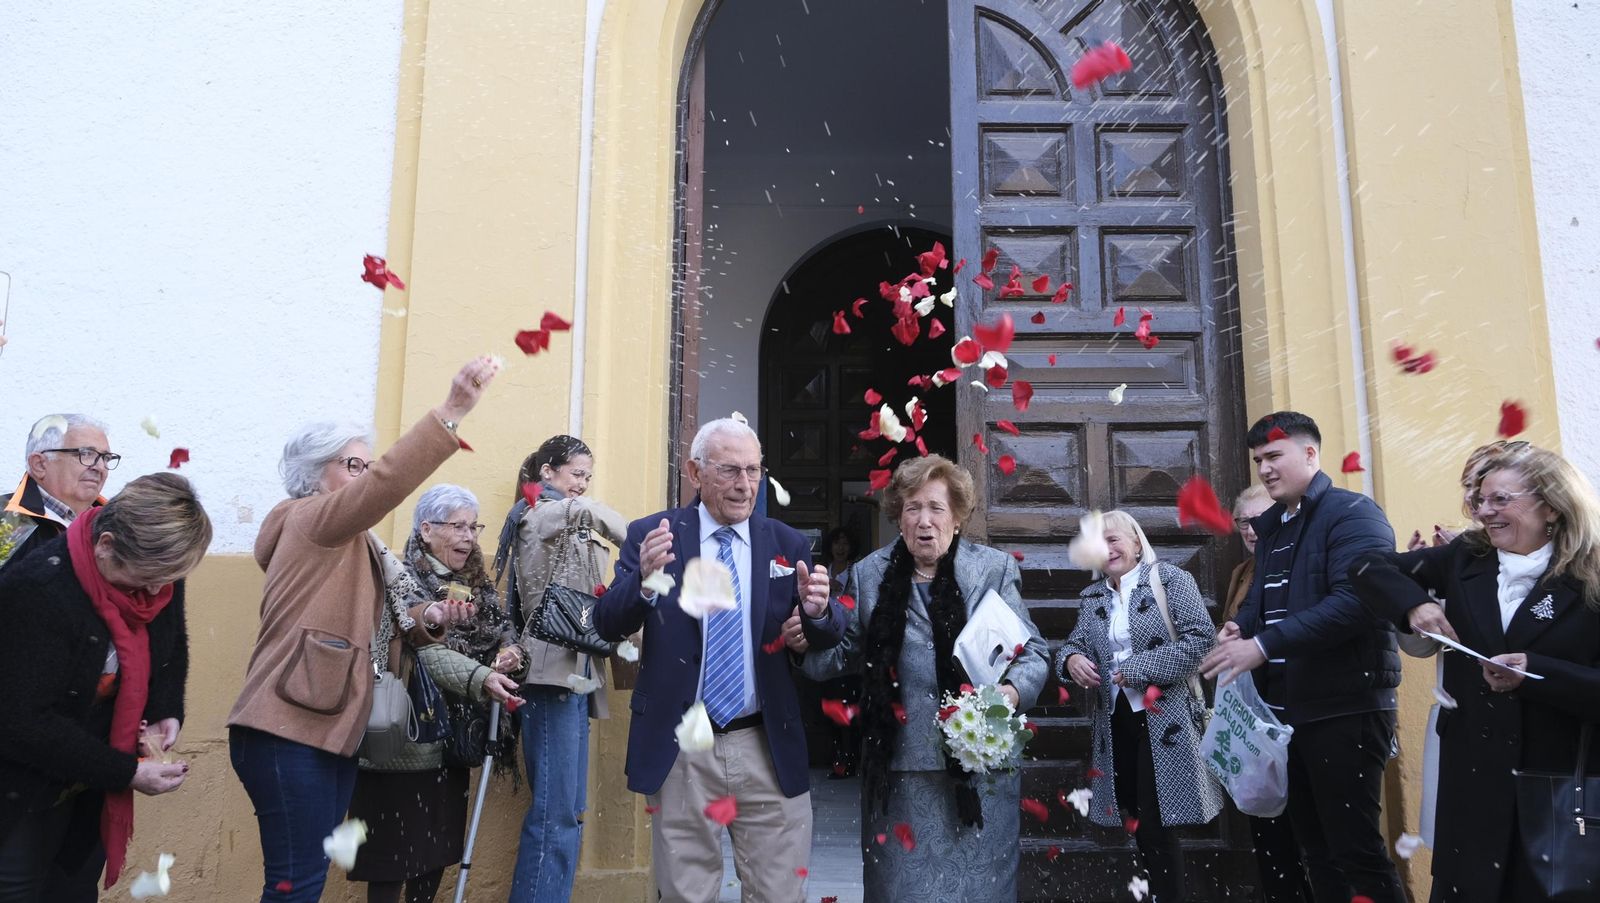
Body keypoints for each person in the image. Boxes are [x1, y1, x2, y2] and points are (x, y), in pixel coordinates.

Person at [226, 356, 499, 903]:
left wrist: (432, 619)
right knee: (295, 883)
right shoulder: (310, 519)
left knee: (301, 880)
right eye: (353, 466)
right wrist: (451, 412)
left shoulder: (360, 545)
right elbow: (387, 484)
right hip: (287, 728)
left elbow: (388, 626)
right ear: (314, 473)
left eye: (364, 465)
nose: (364, 475)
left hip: (330, 727)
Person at [596, 418, 845, 903]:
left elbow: (824, 631)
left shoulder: (786, 542)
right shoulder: (653, 534)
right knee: (687, 894)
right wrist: (644, 579)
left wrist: (816, 614)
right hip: (683, 744)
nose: (745, 484)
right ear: (695, 471)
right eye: (730, 470)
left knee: (780, 893)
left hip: (766, 742)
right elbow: (606, 622)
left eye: (753, 470)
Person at [1352, 444, 1600, 902]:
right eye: (1481, 500)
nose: (1485, 512)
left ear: (1550, 504)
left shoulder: (1592, 578)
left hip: (1558, 789)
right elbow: (1366, 567)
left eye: (1501, 500)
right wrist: (1416, 604)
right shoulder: (1467, 557)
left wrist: (1538, 673)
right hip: (1472, 785)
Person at [801, 454, 1049, 902]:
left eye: (936, 508)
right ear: (898, 516)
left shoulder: (991, 570)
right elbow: (830, 660)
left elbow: (1032, 654)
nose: (924, 520)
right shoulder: (870, 575)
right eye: (913, 507)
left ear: (957, 517)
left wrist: (1008, 695)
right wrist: (815, 620)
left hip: (979, 774)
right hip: (900, 774)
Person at [1200, 412, 1405, 903]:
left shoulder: (1354, 513)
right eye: (1258, 461)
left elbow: (1358, 601)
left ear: (1310, 454)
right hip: (1289, 713)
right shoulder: (1274, 527)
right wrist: (1240, 627)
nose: (1265, 470)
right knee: (1315, 850)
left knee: (1356, 852)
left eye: (1274, 456)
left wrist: (1262, 645)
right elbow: (1263, 602)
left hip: (1346, 709)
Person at [0, 473, 211, 901]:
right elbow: (24, 721)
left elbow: (171, 648)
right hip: (21, 785)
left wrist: (166, 709)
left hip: (86, 781)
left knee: (73, 890)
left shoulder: (160, 571)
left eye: (167, 580)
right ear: (106, 545)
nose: (155, 592)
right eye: (147, 578)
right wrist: (128, 771)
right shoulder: (36, 590)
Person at [347, 485, 522, 903]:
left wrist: (510, 652)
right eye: (457, 526)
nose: (468, 536)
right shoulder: (401, 581)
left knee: (435, 857)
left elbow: (504, 631)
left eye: (473, 526)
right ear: (426, 530)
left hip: (453, 741)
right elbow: (423, 653)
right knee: (390, 861)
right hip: (403, 740)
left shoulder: (477, 587)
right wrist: (480, 675)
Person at [492, 435, 630, 901]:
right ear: (546, 473)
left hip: (573, 677)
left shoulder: (564, 519)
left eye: (588, 477)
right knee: (554, 816)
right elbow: (595, 516)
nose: (583, 485)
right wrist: (653, 540)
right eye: (576, 474)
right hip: (549, 679)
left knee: (568, 813)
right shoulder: (539, 515)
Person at [1057, 510, 1219, 902]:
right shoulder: (1093, 597)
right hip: (1117, 723)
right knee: (1135, 815)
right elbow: (1075, 644)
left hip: (1166, 722)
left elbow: (1201, 641)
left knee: (1156, 823)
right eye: (1099, 542)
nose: (1108, 548)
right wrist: (1070, 661)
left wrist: (1140, 668)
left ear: (1135, 542)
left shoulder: (1170, 580)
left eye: (1114, 539)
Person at [1222, 485, 1311, 902]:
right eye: (1245, 522)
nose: (1255, 530)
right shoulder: (1242, 573)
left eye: (1263, 519)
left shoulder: (1300, 566)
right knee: (1269, 830)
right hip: (1255, 722)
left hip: (1299, 714)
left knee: (1312, 833)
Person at [1, 414, 114, 572]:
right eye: (86, 454)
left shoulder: (116, 523)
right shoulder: (7, 522)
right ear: (39, 464)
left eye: (106, 458)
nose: (100, 467)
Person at [815, 526, 863, 778]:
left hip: (850, 648)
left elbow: (858, 605)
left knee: (850, 708)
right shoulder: (822, 570)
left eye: (845, 543)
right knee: (829, 708)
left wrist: (840, 593)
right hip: (826, 644)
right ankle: (835, 758)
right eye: (837, 542)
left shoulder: (858, 572)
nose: (840, 547)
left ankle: (850, 759)